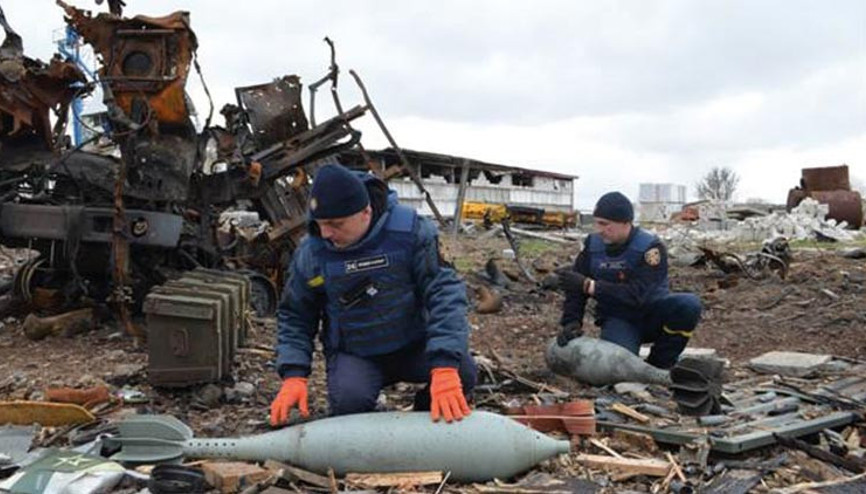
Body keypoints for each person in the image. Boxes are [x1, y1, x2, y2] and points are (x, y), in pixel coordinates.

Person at [270, 163, 477, 426]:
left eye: (336, 224)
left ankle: (427, 416)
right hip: (358, 353)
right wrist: (293, 374)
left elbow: (445, 293)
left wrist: (445, 365)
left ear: (365, 212)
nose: (326, 234)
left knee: (464, 373)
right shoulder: (312, 253)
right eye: (320, 224)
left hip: (414, 344)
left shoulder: (410, 233)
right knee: (348, 403)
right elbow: (296, 315)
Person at [555, 191, 702, 369]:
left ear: (626, 223)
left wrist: (591, 286)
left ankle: (660, 364)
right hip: (619, 319)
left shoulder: (650, 248)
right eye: (597, 223)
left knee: (688, 305)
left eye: (605, 224)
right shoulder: (593, 246)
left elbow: (639, 295)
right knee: (614, 367)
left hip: (652, 314)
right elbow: (576, 287)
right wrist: (571, 321)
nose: (599, 229)